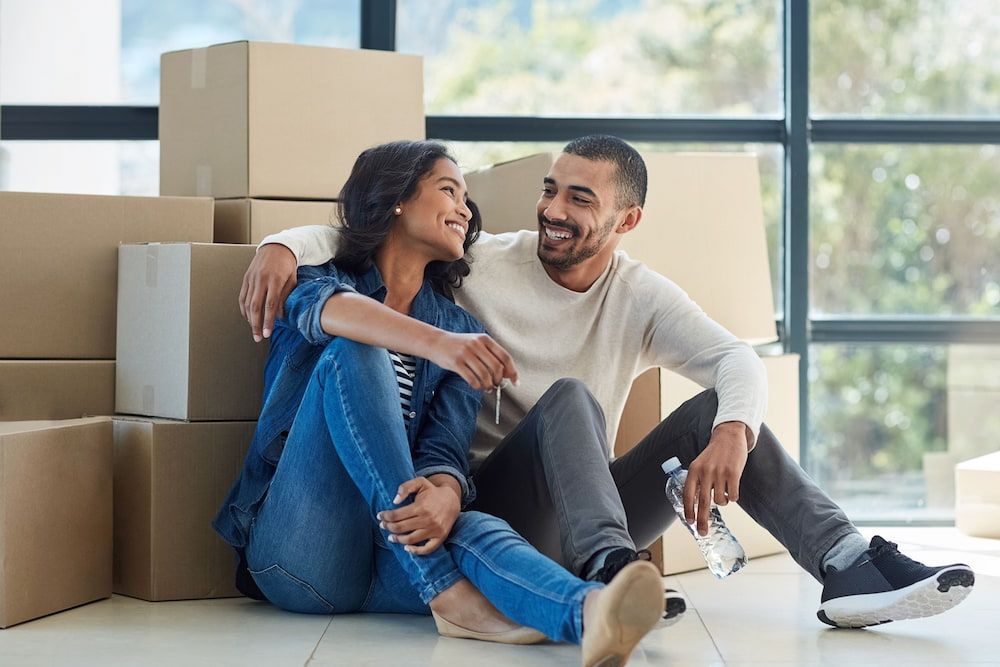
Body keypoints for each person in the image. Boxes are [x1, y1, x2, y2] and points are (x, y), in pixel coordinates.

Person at [240, 135, 975, 630]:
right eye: (551, 191)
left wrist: (731, 433)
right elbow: (360, 246)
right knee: (570, 400)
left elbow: (737, 359)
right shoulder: (480, 263)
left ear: (628, 218)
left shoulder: (641, 295)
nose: (554, 211)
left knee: (718, 408)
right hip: (484, 504)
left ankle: (845, 563)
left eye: (580, 200)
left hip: (575, 508)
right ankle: (612, 571)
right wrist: (280, 243)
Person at [213, 140, 665, 666]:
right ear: (397, 199)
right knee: (356, 351)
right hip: (303, 556)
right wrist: (438, 346)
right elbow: (333, 315)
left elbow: (445, 446)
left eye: (467, 198)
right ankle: (444, 592)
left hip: (389, 561)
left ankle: (590, 613)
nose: (464, 209)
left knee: (474, 524)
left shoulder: (459, 327)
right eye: (449, 190)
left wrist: (448, 492)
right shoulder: (322, 279)